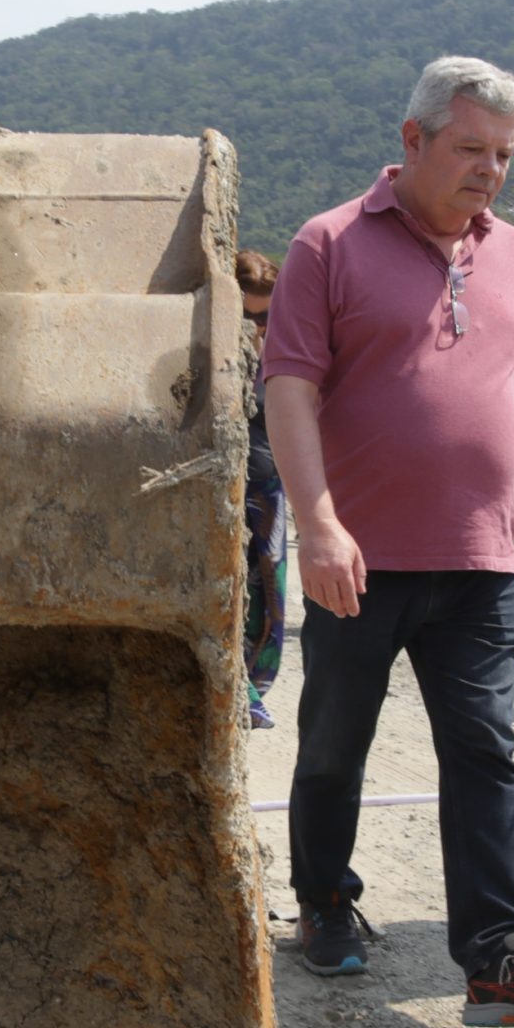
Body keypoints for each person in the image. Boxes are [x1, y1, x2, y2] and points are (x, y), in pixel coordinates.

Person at [261, 55, 514, 1028]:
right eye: (469, 149)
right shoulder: (326, 244)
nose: (488, 170)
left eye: (502, 154)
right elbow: (287, 388)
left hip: (480, 560)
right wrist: (317, 522)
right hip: (356, 558)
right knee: (334, 742)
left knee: (485, 751)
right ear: (411, 142)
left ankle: (500, 957)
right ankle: (326, 901)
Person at [236, 249, 289, 729]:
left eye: (265, 316)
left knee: (270, 595)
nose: (256, 328)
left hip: (270, 487)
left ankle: (253, 684)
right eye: (245, 316)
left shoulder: (287, 351)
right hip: (230, 489)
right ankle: (241, 690)